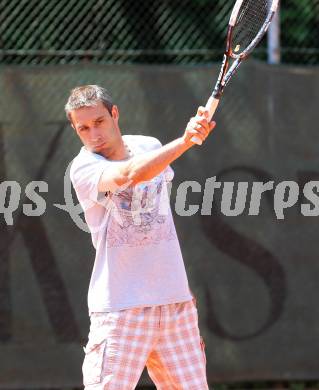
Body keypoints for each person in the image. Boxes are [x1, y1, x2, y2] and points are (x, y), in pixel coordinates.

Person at [65, 84, 215, 389]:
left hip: (175, 308)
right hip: (121, 311)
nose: (93, 134)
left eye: (99, 122)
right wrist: (186, 140)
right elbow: (128, 175)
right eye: (83, 128)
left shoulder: (149, 146)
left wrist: (179, 293)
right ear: (74, 128)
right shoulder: (83, 167)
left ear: (114, 114)